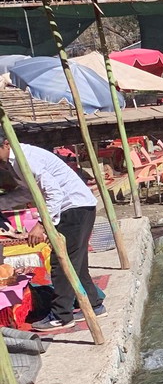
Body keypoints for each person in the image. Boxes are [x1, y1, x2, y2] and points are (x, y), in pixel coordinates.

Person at [0, 138, 104, 332]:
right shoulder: (15, 162)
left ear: (6, 144)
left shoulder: (26, 159)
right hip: (78, 207)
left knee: (62, 263)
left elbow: (54, 192)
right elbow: (30, 192)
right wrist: (3, 203)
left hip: (74, 208)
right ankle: (94, 303)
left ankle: (61, 315)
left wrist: (41, 224)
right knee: (76, 263)